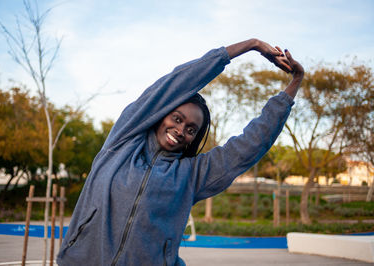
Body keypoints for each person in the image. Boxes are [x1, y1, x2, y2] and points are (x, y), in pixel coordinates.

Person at [57, 38, 304, 266]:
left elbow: (249, 145)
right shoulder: (122, 142)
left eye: (191, 129)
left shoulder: (191, 176)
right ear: (161, 114)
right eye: (176, 118)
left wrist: (294, 84)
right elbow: (176, 83)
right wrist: (251, 45)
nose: (180, 129)